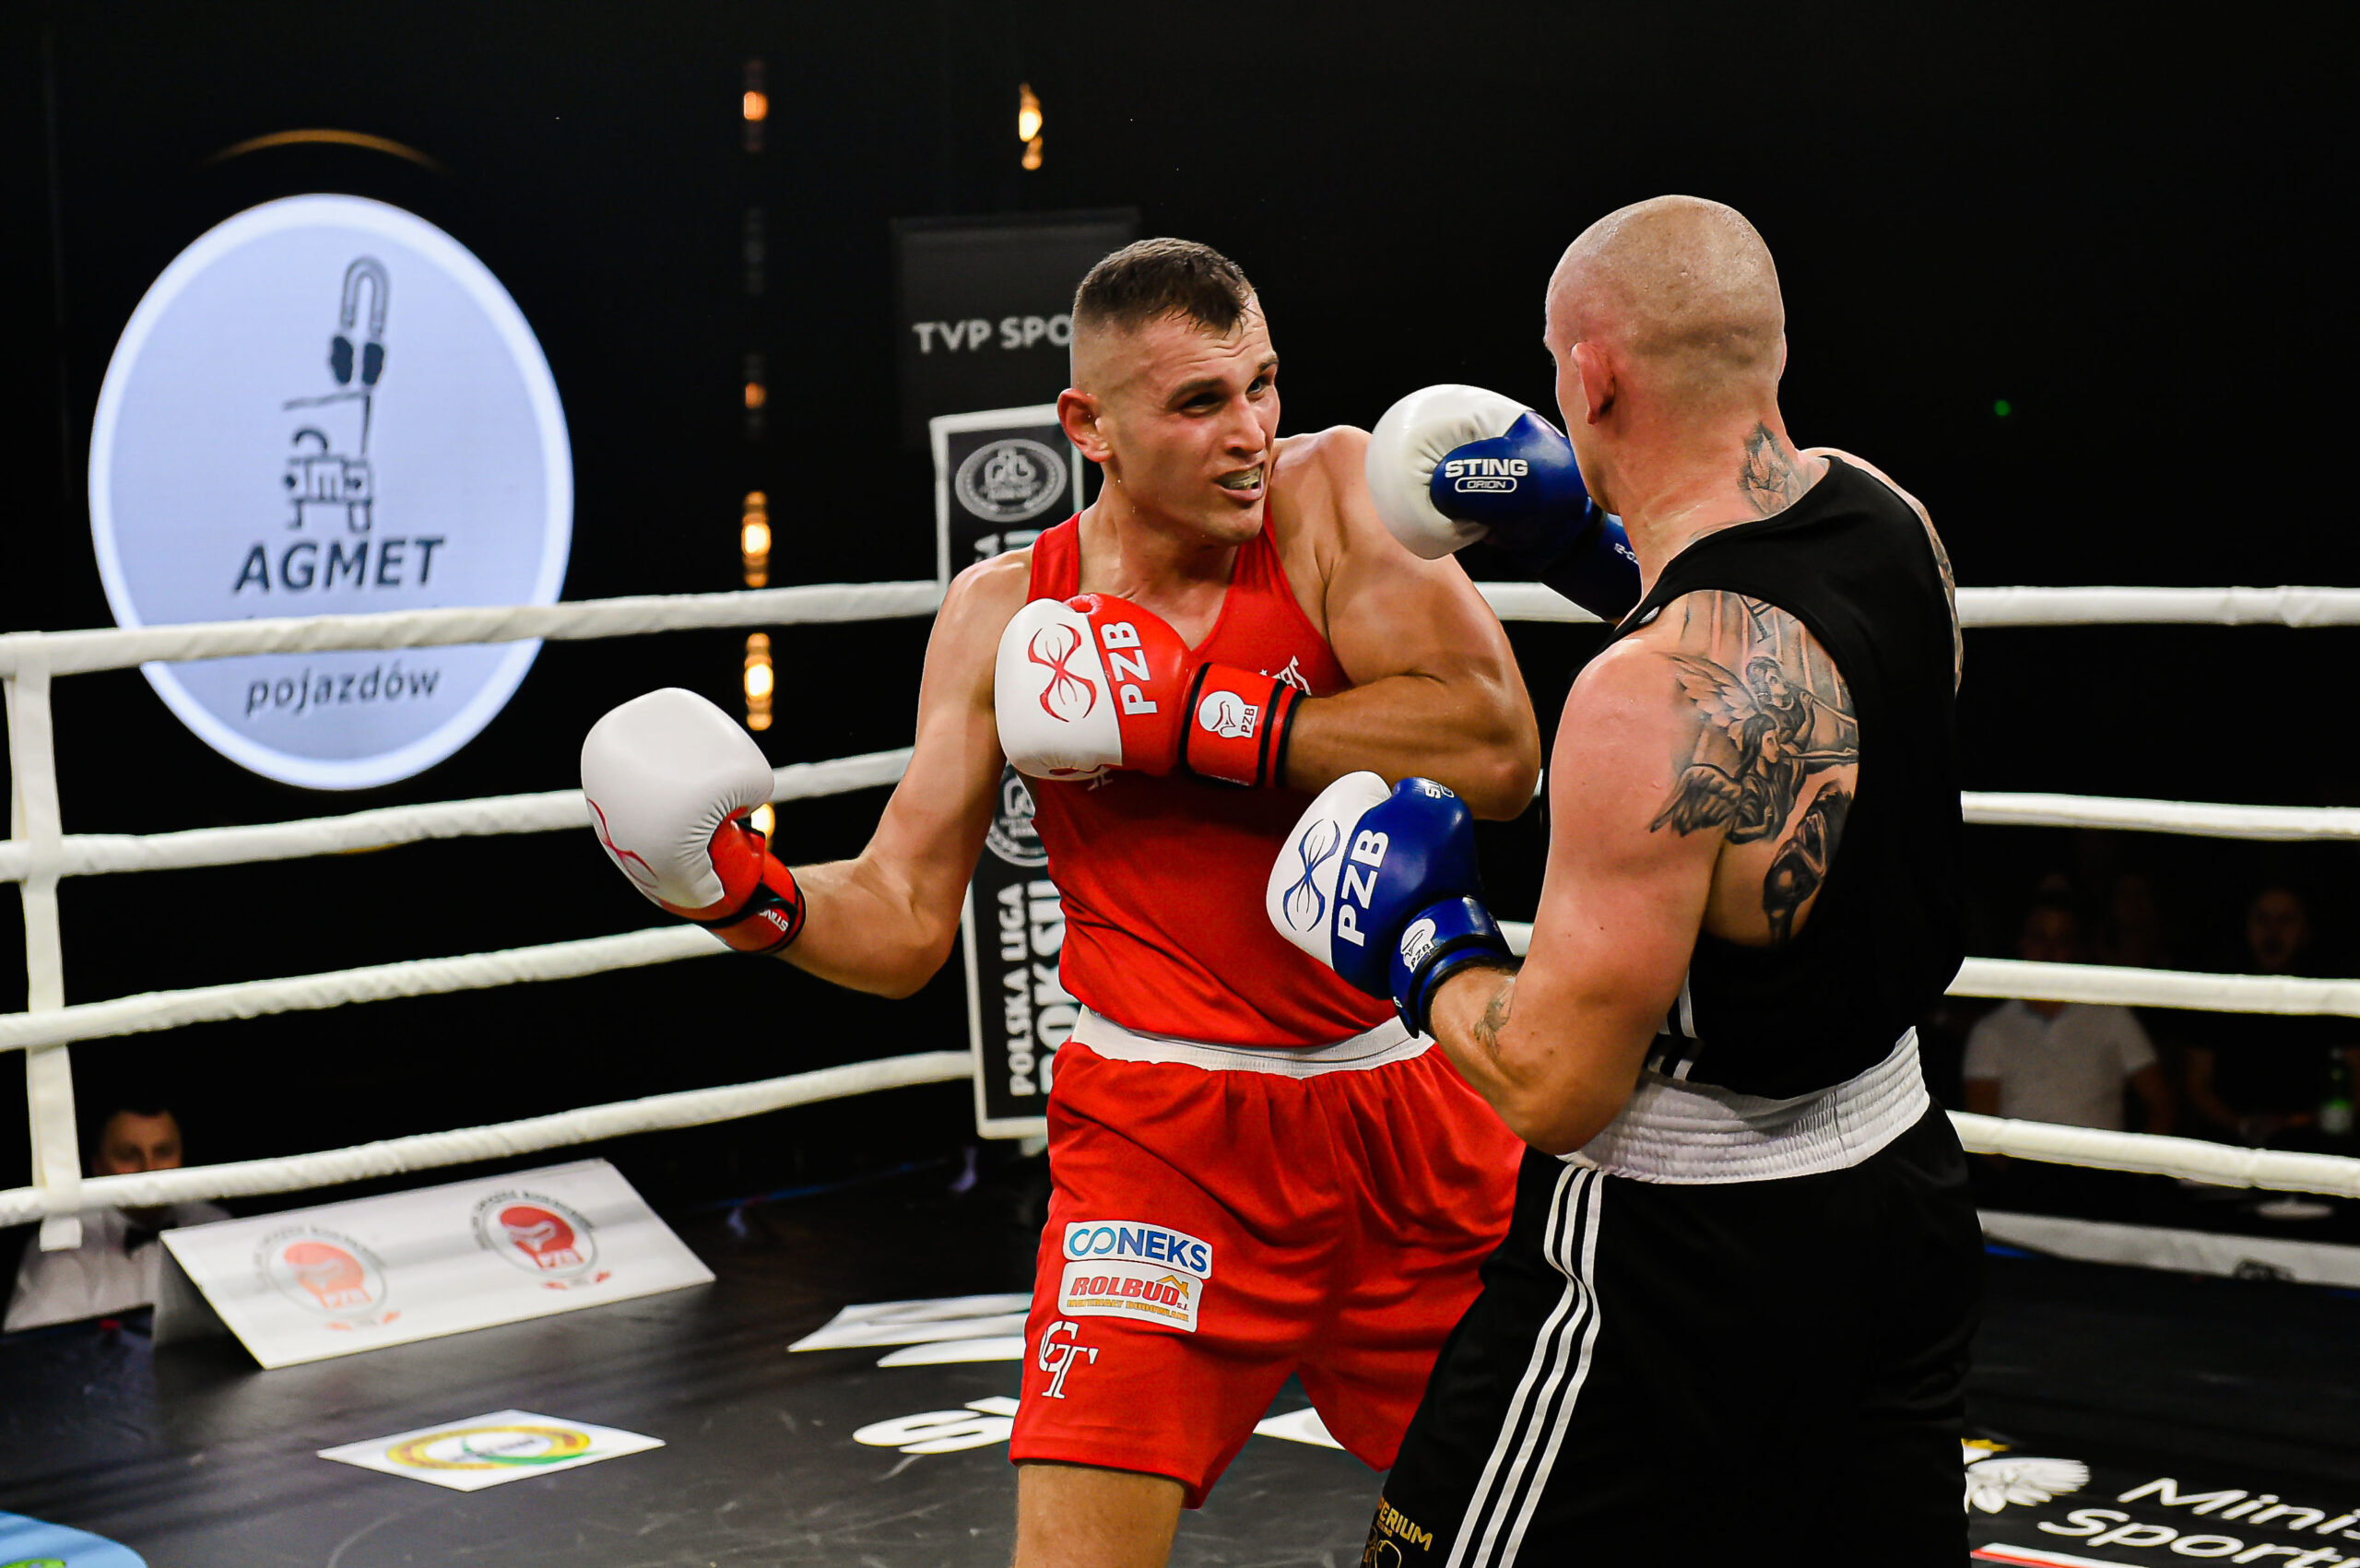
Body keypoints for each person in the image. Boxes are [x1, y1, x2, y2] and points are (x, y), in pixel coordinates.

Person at [580, 239, 1545, 1567]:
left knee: (1551, 1525)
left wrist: (1200, 719)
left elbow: (1497, 752)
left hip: (1407, 1107)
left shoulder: (1332, 497)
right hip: (1161, 1139)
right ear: (1088, 426)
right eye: (1199, 403)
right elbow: (903, 914)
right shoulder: (1004, 614)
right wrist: (748, 898)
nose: (1250, 434)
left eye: (1261, 385)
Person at [1270, 195, 1980, 1562]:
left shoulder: (1635, 698)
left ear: (1591, 377)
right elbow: (1800, 704)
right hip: (1897, 1192)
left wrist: (1418, 936)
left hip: (1670, 1251)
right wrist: (1586, 552)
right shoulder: (1896, 520)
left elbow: (1553, 1086)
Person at [5, 1103, 227, 1333]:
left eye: (163, 1152)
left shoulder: (214, 1225)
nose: (149, 1169)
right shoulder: (67, 1239)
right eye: (128, 1155)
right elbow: (44, 1346)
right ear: (98, 1166)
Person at [1963, 893, 2172, 1135]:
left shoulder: (2112, 1016)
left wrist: (2135, 1161)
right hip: (2021, 1157)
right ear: (2023, 942)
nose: (2049, 951)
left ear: (2076, 948)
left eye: (2062, 940)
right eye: (2040, 938)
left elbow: (2162, 1105)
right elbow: (1982, 1130)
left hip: (2097, 1157)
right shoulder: (1991, 1030)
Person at [2184, 884, 2360, 1147]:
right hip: (2229, 1149)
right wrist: (2242, 1126)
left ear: (2306, 931)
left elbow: (2356, 1084)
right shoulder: (2218, 996)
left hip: (2313, 1148)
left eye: (2286, 920)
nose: (2272, 931)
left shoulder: (2332, 998)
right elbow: (2196, 1086)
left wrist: (2298, 1123)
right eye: (2262, 919)